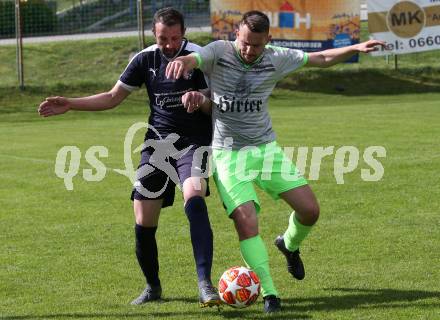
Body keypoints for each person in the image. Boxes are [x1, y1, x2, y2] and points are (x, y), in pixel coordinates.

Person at [165, 10, 385, 313]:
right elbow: (197, 59)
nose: (248, 50)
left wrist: (354, 48)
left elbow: (319, 59)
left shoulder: (276, 57)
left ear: (267, 41)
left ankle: (289, 245)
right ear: (236, 36)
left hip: (267, 150)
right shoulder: (219, 51)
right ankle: (270, 293)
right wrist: (184, 62)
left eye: (255, 45)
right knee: (246, 220)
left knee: (310, 211)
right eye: (244, 42)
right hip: (229, 154)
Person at [38, 7, 221, 308]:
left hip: (193, 144)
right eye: (163, 38)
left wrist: (200, 100)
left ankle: (205, 284)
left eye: (175, 38)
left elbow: (220, 106)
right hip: (158, 146)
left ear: (184, 34)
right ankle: (153, 287)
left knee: (194, 197)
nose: (170, 45)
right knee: (143, 218)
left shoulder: (199, 57)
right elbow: (112, 97)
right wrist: (70, 103)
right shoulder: (145, 59)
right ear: (154, 34)